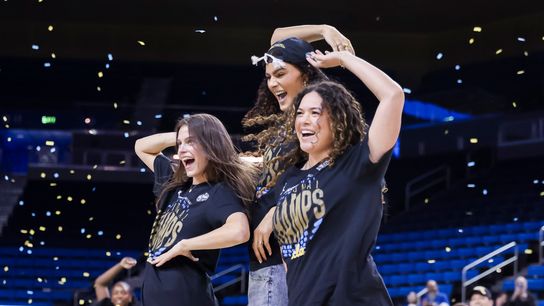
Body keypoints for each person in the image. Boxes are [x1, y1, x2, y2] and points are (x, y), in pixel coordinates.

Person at [267, 34, 404, 304]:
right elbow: (290, 254)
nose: (304, 120)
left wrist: (343, 59)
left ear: (338, 120)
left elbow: (393, 95)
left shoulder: (359, 163)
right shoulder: (288, 180)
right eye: (300, 113)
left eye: (315, 113)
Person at [244, 25, 354, 306]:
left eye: (280, 74)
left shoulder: (319, 125)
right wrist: (323, 28)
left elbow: (331, 176)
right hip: (267, 262)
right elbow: (276, 38)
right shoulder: (288, 125)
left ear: (305, 75)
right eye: (268, 77)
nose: (272, 83)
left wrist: (276, 213)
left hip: (289, 261)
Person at [134, 114, 257, 306]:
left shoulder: (219, 191)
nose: (181, 150)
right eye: (180, 143)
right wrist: (180, 135)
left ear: (211, 145)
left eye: (190, 142)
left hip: (186, 295)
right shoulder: (175, 182)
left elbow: (239, 231)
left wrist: (185, 245)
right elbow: (141, 147)